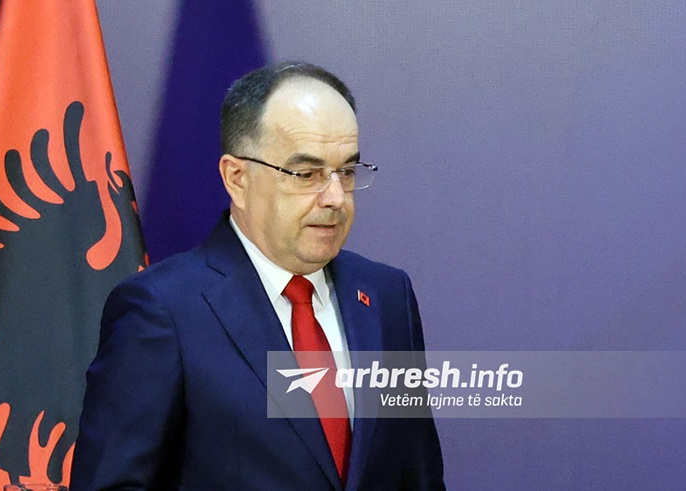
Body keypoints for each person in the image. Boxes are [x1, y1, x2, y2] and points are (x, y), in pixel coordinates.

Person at [71, 61, 445, 490]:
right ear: (237, 178)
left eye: (346, 171)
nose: (335, 198)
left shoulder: (387, 296)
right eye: (306, 174)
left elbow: (418, 474)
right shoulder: (162, 311)